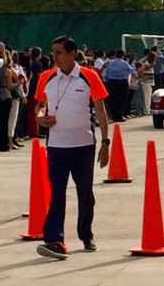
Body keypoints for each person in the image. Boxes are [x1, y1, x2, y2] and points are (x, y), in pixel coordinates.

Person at [34, 36, 110, 260]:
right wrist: (40, 118)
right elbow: (40, 105)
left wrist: (106, 142)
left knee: (85, 192)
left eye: (58, 52)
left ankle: (86, 234)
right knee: (57, 192)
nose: (54, 56)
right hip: (56, 146)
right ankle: (54, 239)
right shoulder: (46, 77)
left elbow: (101, 110)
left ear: (72, 54)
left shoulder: (89, 76)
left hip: (83, 145)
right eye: (53, 51)